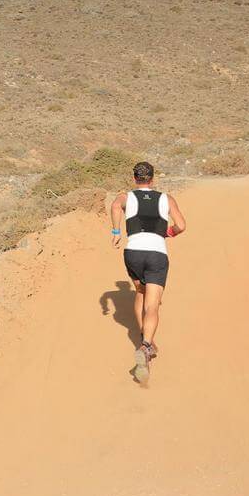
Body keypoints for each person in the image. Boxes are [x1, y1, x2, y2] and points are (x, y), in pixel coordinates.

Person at [110, 161, 186, 383]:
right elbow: (181, 225)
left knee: (140, 293)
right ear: (153, 179)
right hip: (156, 255)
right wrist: (168, 233)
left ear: (134, 179)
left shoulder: (127, 196)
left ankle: (145, 338)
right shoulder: (166, 199)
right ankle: (145, 346)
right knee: (153, 304)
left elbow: (115, 206)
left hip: (133, 253)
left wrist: (116, 231)